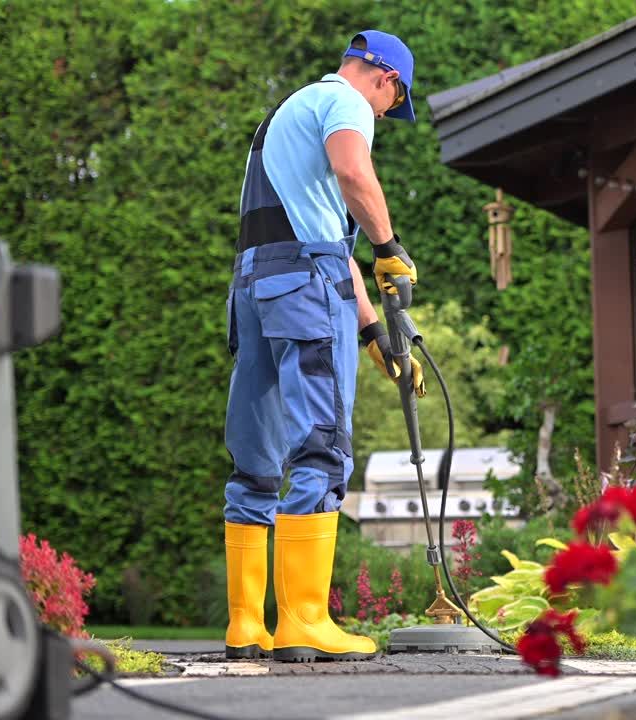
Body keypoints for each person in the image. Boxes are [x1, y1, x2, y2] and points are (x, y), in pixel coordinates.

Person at [221, 30, 425, 662]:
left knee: (255, 457)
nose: (385, 116)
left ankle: (246, 624)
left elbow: (328, 240)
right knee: (322, 444)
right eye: (393, 103)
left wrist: (371, 333)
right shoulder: (347, 103)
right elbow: (353, 171)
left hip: (258, 283)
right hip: (305, 285)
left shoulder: (284, 116)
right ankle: (305, 620)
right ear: (385, 77)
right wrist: (389, 245)